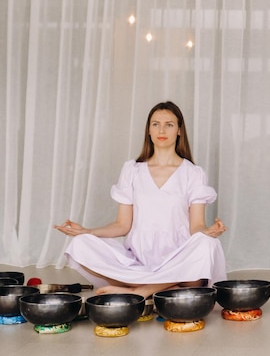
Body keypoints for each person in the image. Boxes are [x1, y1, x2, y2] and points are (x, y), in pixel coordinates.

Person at [55, 101, 227, 298]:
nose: (161, 129)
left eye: (169, 124)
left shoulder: (193, 173)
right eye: (155, 124)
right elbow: (122, 225)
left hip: (178, 260)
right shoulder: (132, 170)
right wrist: (87, 231)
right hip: (139, 260)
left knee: (208, 244)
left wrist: (208, 232)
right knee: (81, 243)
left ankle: (142, 290)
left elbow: (196, 226)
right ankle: (165, 287)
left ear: (179, 130)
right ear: (149, 130)